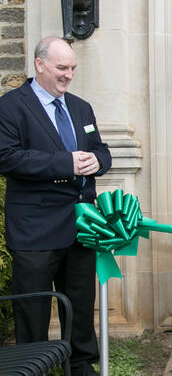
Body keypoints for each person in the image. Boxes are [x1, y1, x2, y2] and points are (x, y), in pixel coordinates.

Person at [0, 36, 112, 375]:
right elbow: (6, 157)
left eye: (73, 68)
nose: (68, 75)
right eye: (62, 67)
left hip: (80, 226)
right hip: (34, 229)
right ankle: (33, 367)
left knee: (80, 301)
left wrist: (97, 161)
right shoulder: (11, 105)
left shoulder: (81, 107)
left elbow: (101, 150)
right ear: (39, 64)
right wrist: (66, 163)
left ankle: (79, 364)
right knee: (33, 308)